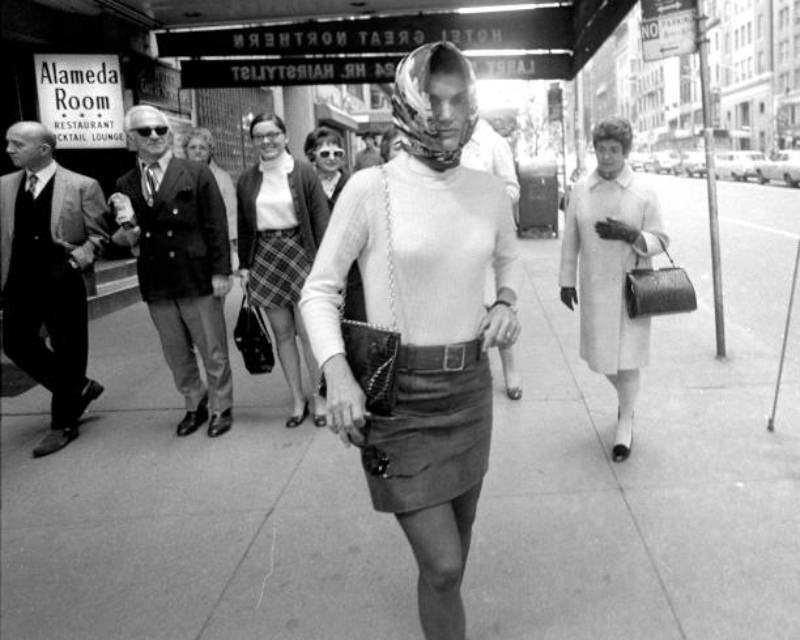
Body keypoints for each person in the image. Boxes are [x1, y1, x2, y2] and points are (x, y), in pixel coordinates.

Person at [300, 42, 521, 640]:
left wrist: (505, 302)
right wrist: (338, 374)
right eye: (433, 98)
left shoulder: (488, 191)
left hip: (469, 391)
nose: (446, 113)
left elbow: (508, 261)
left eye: (458, 99)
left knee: (453, 561)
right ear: (407, 99)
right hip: (400, 398)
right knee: (444, 564)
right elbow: (318, 291)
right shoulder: (370, 188)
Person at [110, 105, 234, 438]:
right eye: (144, 131)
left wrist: (222, 272)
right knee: (175, 350)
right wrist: (126, 232)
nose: (154, 136)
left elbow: (216, 225)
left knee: (212, 348)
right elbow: (127, 235)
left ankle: (221, 407)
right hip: (157, 278)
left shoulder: (194, 172)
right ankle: (194, 403)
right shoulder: (125, 182)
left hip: (196, 276)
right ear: (130, 139)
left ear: (170, 135)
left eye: (160, 130)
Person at [558, 116, 669, 462]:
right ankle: (629, 403)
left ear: (625, 151)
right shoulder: (580, 190)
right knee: (601, 359)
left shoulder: (643, 190)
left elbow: (661, 241)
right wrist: (565, 281)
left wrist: (632, 235)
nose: (607, 157)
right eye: (602, 149)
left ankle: (624, 426)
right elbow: (570, 240)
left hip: (630, 286)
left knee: (629, 359)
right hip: (594, 287)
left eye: (614, 150)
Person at [1, 121, 109, 457]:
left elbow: (99, 237)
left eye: (17, 144)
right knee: (16, 343)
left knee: (69, 349)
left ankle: (63, 424)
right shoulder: (3, 186)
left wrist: (75, 262)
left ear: (43, 149)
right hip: (18, 281)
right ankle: (77, 386)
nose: (9, 150)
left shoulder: (82, 185)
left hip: (63, 280)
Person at [237, 113, 330, 428]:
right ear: (253, 141)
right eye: (259, 136)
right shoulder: (247, 179)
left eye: (273, 134)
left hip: (300, 253)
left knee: (308, 331)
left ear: (285, 136)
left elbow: (320, 219)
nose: (267, 141)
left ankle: (320, 395)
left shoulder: (304, 172)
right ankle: (296, 398)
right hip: (265, 256)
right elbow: (244, 225)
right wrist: (245, 266)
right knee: (283, 334)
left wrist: (326, 266)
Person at [461, 117, 524, 401]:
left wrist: (487, 200)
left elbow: (512, 187)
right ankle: (470, 373)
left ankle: (511, 370)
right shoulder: (447, 140)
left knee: (497, 302)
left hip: (490, 234)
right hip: (457, 236)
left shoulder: (494, 143)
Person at [183, 127, 238, 265]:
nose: (197, 151)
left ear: (210, 151)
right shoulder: (177, 177)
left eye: (203, 148)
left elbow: (231, 216)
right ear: (186, 151)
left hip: (214, 246)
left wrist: (232, 250)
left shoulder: (223, 178)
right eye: (193, 147)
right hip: (186, 247)